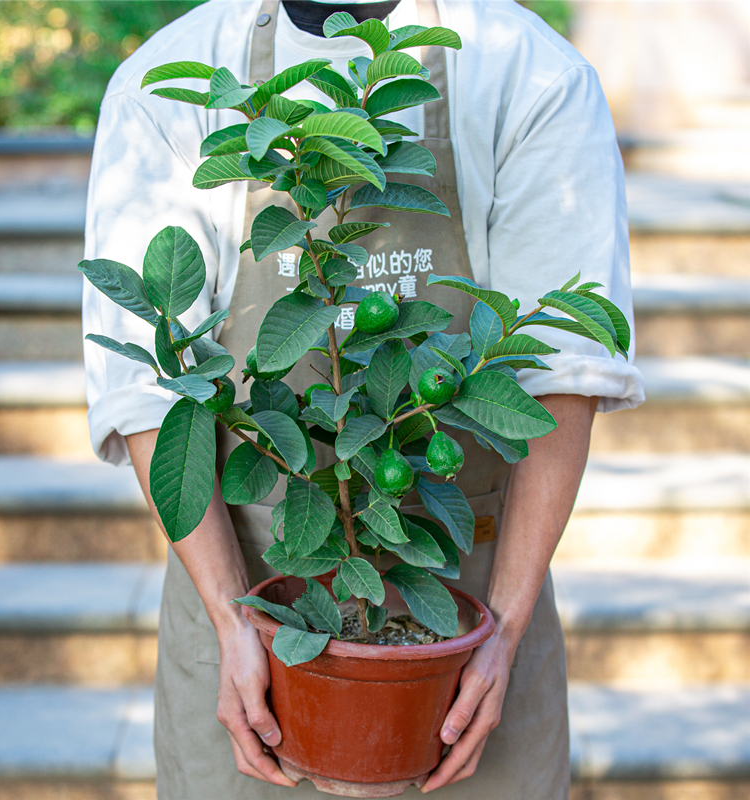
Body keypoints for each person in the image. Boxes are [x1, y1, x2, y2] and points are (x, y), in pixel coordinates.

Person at [82, 1, 645, 797]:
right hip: (249, 599)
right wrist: (228, 619)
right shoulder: (167, 79)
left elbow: (561, 374)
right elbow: (146, 389)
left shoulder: (528, 71)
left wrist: (504, 632)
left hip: (470, 608)